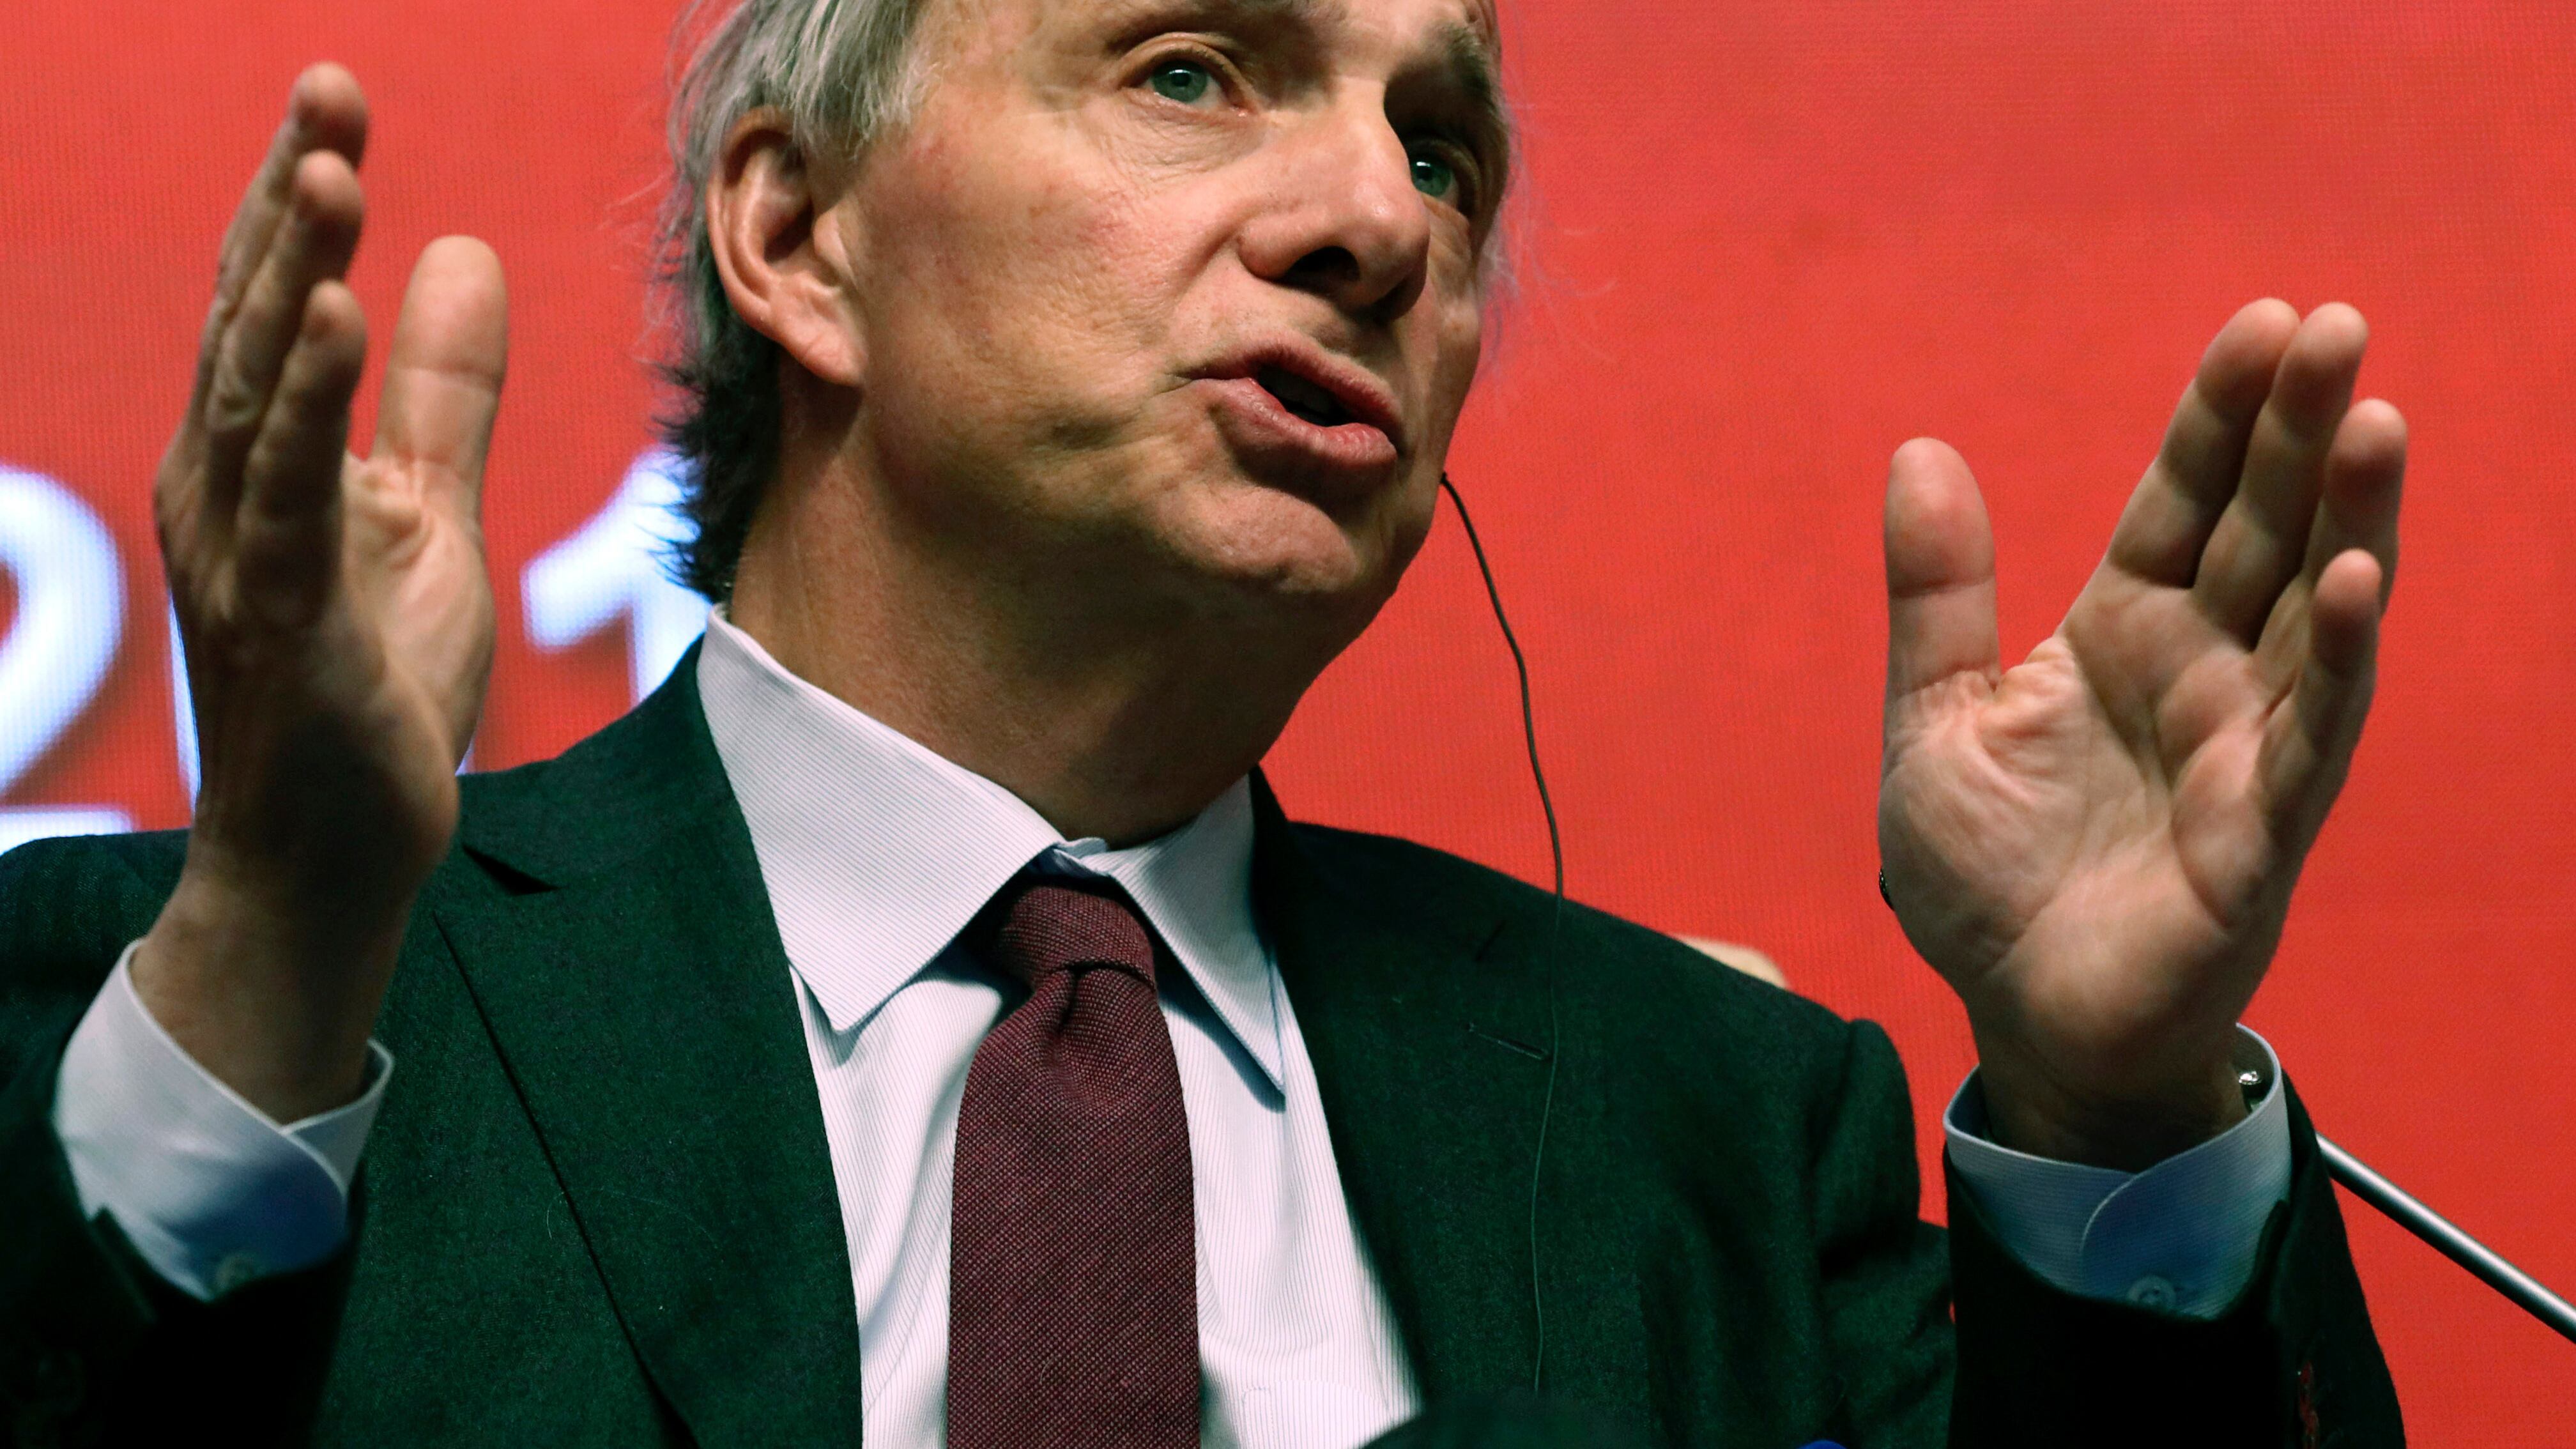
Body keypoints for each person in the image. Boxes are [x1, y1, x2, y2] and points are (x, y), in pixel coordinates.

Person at [0, 0, 2410, 1443]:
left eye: (1440, 144)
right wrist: (284, 940)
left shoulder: (1712, 1133)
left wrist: (2115, 1102)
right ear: (800, 234)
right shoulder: (224, 1011)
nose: (1381, 217)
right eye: (1190, 68)